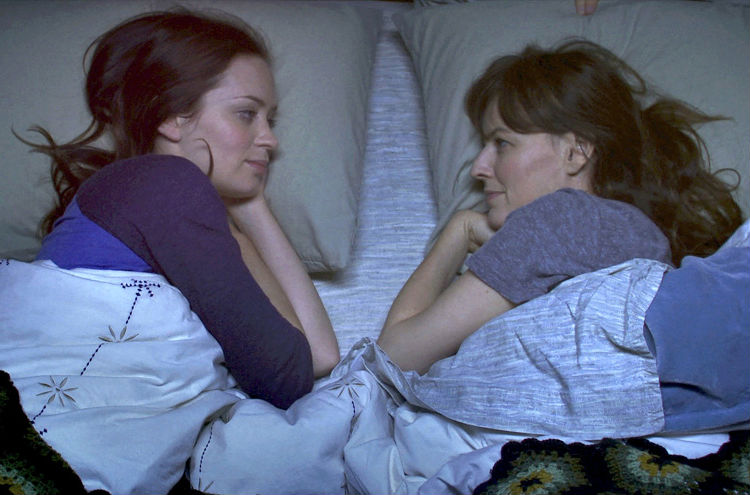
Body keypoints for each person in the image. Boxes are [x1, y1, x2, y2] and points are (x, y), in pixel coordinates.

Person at [17, 9, 339, 409]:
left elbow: (321, 356)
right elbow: (287, 378)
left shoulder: (153, 197)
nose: (270, 140)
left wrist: (249, 202)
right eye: (246, 114)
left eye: (269, 120)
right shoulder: (163, 184)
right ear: (172, 117)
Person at [377, 39, 743, 375]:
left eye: (502, 143)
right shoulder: (640, 233)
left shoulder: (556, 220)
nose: (479, 168)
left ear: (576, 152)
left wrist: (458, 230)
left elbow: (393, 357)